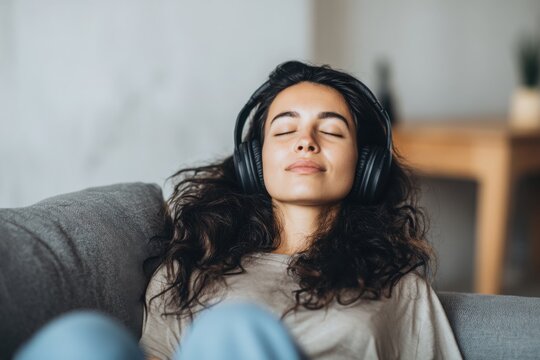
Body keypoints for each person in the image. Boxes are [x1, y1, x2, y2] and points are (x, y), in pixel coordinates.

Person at [14, 61, 463, 360]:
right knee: (80, 339)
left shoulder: (397, 284)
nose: (306, 142)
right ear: (254, 160)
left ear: (365, 165)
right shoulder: (191, 266)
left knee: (230, 330)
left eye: (331, 131)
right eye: (285, 131)